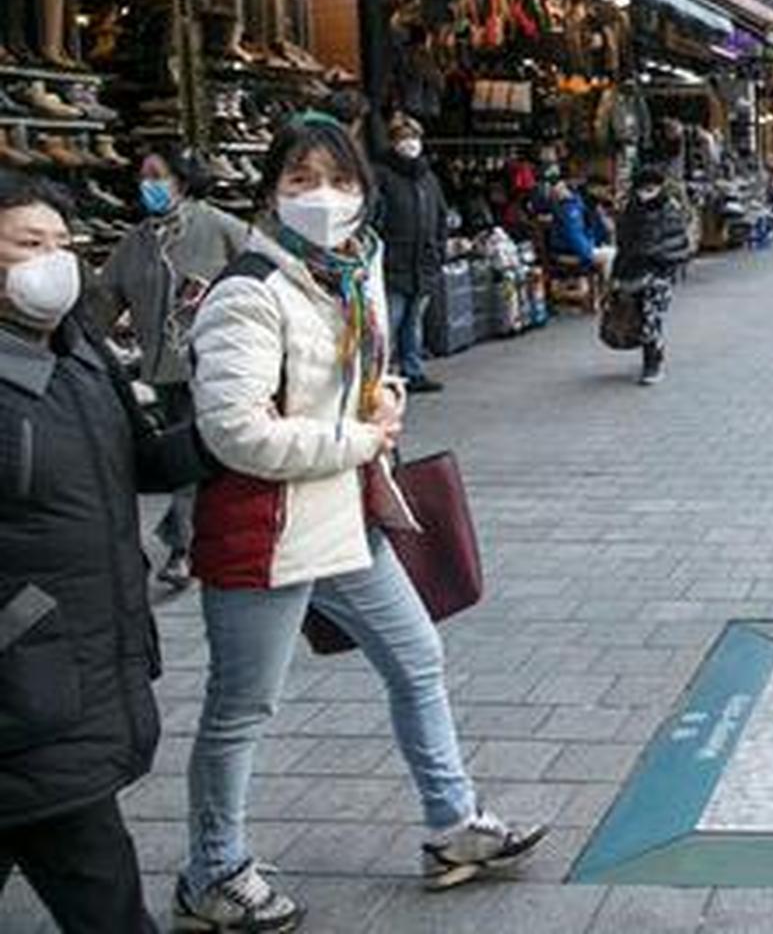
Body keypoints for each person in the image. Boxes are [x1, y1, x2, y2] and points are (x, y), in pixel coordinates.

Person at [178, 113, 544, 932]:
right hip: (265, 529)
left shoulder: (352, 270)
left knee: (417, 657)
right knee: (242, 709)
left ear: (364, 191)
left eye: (339, 181)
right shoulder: (251, 290)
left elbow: (360, 376)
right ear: (270, 192)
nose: (322, 197)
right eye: (300, 181)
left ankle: (452, 826)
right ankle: (212, 872)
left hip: (345, 518)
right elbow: (232, 432)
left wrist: (384, 401)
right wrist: (354, 437)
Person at [0, 172, 194, 934]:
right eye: (27, 243)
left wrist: (226, 437)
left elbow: (136, 463)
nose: (52, 259)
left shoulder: (81, 356)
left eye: (63, 243)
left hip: (76, 672)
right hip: (25, 690)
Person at [88, 146, 249, 587]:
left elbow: (260, 268)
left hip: (214, 365)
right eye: (143, 176)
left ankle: (184, 547)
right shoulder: (137, 242)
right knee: (192, 456)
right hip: (163, 371)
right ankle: (190, 536)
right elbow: (104, 298)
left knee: (193, 454)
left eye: (157, 175)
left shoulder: (217, 225)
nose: (149, 185)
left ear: (181, 180)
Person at [372, 114, 450, 395]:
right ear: (393, 142)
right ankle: (380, 374)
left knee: (413, 322)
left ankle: (412, 371)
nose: (410, 144)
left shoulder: (428, 177)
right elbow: (373, 218)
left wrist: (439, 249)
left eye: (414, 138)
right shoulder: (381, 175)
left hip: (423, 262)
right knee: (390, 321)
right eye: (404, 138)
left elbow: (440, 216)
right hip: (394, 261)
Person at [612, 163, 695, 385]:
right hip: (633, 271)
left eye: (651, 187)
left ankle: (652, 363)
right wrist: (617, 275)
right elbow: (624, 244)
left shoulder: (670, 208)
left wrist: (653, 255)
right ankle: (653, 353)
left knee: (651, 316)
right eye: (642, 187)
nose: (646, 192)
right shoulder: (630, 209)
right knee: (639, 315)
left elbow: (674, 241)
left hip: (659, 272)